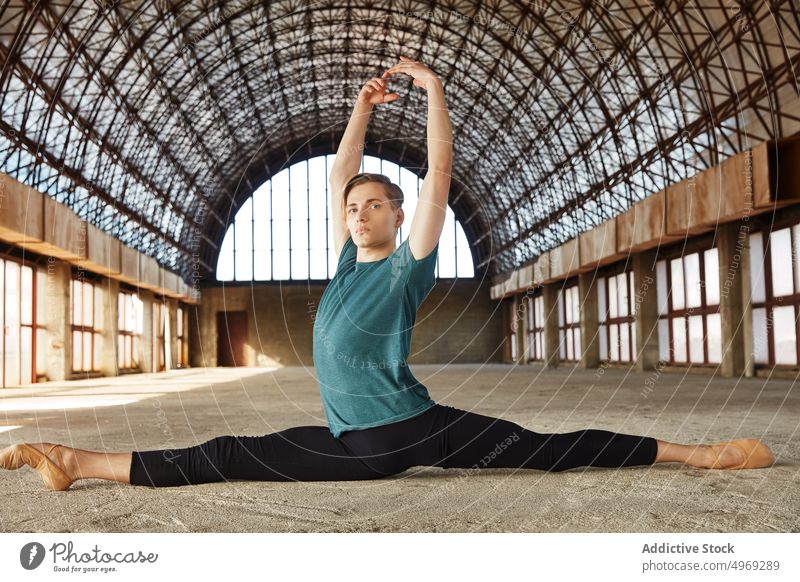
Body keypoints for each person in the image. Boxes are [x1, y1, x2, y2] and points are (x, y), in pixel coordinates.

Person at [0, 56, 775, 492]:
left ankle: (703, 454)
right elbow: (340, 168)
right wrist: (363, 109)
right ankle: (76, 464)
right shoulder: (345, 259)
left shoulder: (407, 266)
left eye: (377, 204)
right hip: (352, 440)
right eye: (355, 206)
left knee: (551, 446)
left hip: (404, 431)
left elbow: (437, 173)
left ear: (400, 218)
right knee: (228, 452)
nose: (361, 211)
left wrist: (433, 89)